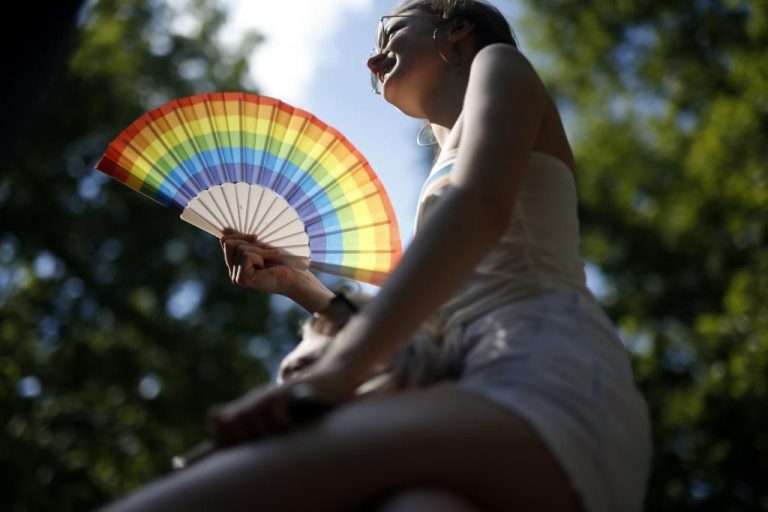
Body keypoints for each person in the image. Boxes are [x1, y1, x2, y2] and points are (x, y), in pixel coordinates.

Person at [102, 1, 652, 511]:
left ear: (455, 29)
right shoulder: (445, 171)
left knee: (229, 487)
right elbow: (427, 328)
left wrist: (331, 378)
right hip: (474, 384)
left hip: (543, 374)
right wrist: (299, 284)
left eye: (392, 30)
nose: (371, 56)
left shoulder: (500, 64)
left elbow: (481, 210)